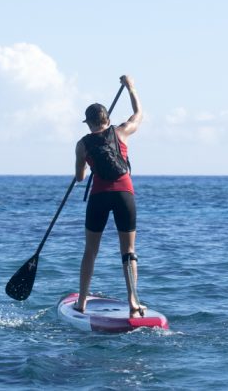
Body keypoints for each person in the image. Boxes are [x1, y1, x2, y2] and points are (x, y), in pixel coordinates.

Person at [73, 75, 145, 318]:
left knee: (91, 250)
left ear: (89, 123)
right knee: (129, 251)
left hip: (99, 197)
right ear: (107, 120)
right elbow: (138, 114)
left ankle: (81, 302)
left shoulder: (82, 144)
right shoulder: (121, 132)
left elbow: (80, 177)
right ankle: (134, 302)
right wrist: (130, 88)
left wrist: (84, 166)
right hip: (124, 193)